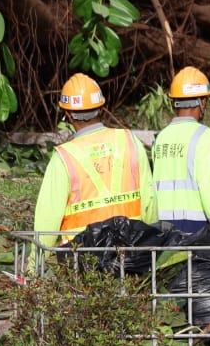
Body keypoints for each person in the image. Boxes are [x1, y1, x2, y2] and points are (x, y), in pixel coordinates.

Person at [32, 73, 153, 247]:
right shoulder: (129, 141)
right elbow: (149, 201)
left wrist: (36, 261)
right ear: (101, 108)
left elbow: (47, 219)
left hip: (81, 257)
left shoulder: (64, 157)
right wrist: (150, 246)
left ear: (68, 114)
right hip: (131, 252)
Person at [151, 67, 210, 232]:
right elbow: (208, 190)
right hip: (195, 226)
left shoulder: (161, 137)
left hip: (162, 226)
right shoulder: (204, 136)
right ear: (202, 102)